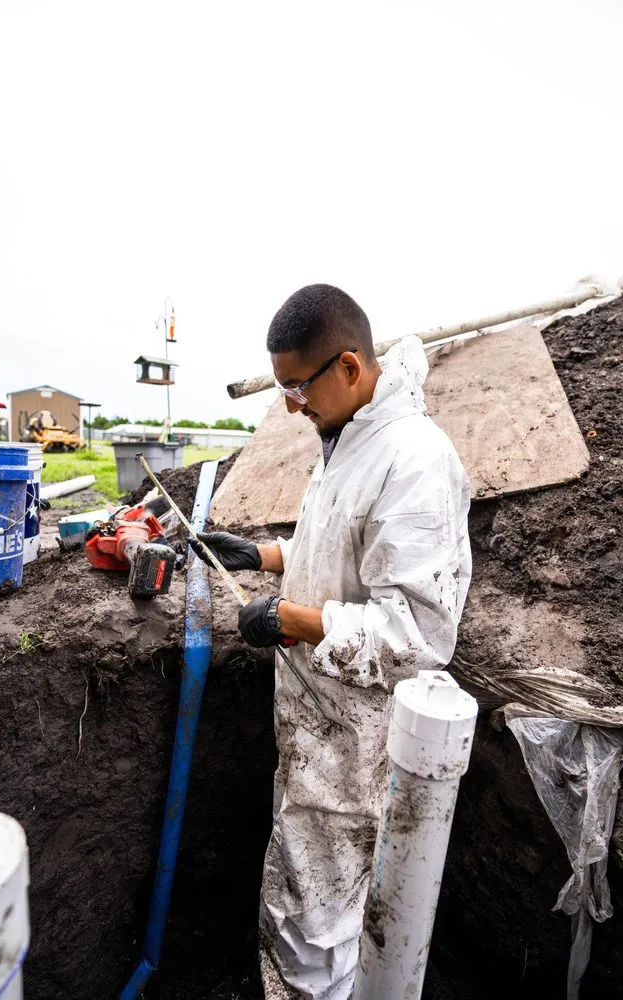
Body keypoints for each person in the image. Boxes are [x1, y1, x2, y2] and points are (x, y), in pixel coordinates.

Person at [192, 284, 472, 1000]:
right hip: (315, 717)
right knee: (307, 890)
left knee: (318, 920)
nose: (289, 403)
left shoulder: (414, 461)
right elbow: (340, 546)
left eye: (296, 385)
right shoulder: (348, 435)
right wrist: (263, 556)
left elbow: (416, 633)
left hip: (356, 740)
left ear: (348, 366)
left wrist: (290, 620)